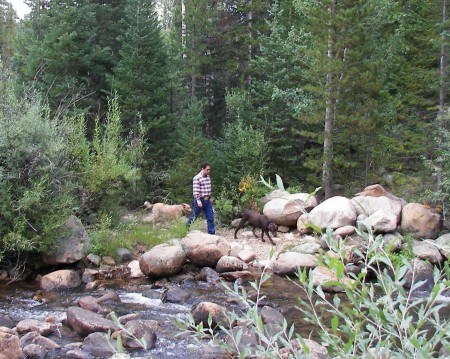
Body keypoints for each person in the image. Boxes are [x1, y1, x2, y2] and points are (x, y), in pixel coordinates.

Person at [187, 161, 216, 234]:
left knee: (210, 217)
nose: (209, 171)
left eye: (209, 169)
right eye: (207, 169)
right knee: (193, 216)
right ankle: (185, 229)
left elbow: (208, 189)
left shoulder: (208, 177)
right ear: (202, 169)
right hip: (200, 200)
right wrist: (198, 201)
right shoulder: (197, 178)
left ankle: (211, 233)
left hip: (207, 200)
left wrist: (210, 197)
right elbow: (196, 191)